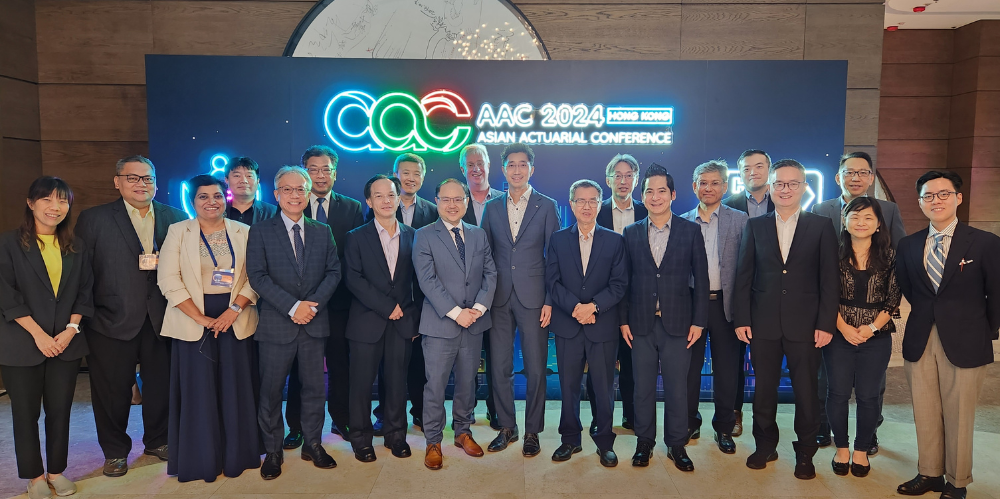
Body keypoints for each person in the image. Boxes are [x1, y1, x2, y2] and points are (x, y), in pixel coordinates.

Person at [74, 155, 188, 477]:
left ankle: (159, 439)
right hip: (109, 320)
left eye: (147, 178)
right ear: (118, 181)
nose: (141, 184)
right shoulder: (94, 219)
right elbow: (83, 273)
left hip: (161, 319)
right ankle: (114, 451)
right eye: (133, 178)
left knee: (161, 386)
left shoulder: (176, 217)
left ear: (156, 181)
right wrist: (82, 320)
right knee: (111, 391)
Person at [895, 171, 1000, 499]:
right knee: (925, 410)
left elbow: (996, 293)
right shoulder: (909, 244)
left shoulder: (984, 243)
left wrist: (987, 331)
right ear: (920, 203)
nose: (936, 200)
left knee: (959, 414)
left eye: (943, 194)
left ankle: (957, 482)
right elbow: (912, 290)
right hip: (921, 337)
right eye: (929, 196)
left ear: (958, 198)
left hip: (967, 340)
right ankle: (930, 473)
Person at [733, 159, 839, 480]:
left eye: (793, 183)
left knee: (806, 392)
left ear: (804, 188)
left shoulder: (820, 226)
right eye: (779, 183)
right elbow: (743, 276)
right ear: (771, 187)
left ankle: (805, 452)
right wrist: (741, 318)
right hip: (763, 324)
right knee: (763, 391)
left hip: (807, 327)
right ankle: (765, 445)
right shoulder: (756, 226)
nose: (785, 189)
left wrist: (825, 323)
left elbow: (829, 281)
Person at [157, 175, 261, 482]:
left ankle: (236, 457)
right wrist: (200, 319)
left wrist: (233, 310)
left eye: (217, 195)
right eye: (203, 197)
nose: (211, 202)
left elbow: (254, 277)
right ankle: (200, 460)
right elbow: (168, 279)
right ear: (193, 202)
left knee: (235, 390)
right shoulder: (178, 231)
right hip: (192, 322)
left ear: (225, 198)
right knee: (198, 393)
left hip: (235, 319)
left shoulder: (244, 231)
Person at [247, 166, 342, 479]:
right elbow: (257, 276)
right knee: (271, 392)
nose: (294, 195)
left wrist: (309, 307)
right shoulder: (260, 231)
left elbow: (333, 273)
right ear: (276, 195)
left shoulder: (321, 230)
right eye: (287, 190)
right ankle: (273, 450)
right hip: (277, 326)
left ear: (308, 192)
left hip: (313, 324)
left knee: (315, 389)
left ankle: (313, 443)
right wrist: (292, 307)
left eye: (300, 189)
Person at [0, 177, 92, 499]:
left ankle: (56, 471)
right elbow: (6, 296)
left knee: (60, 411)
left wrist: (70, 330)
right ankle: (35, 477)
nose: (55, 208)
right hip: (22, 344)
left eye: (63, 201)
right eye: (47, 200)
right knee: (26, 413)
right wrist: (40, 335)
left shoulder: (76, 246)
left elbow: (84, 292)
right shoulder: (8, 244)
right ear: (31, 203)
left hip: (65, 344)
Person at [811, 151, 906, 453]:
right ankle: (827, 430)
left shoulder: (889, 209)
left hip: (875, 326)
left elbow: (899, 260)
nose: (855, 178)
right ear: (838, 177)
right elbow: (820, 281)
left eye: (862, 172)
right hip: (836, 323)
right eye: (849, 172)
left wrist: (874, 326)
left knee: (871, 390)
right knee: (830, 384)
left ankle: (868, 436)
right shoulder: (820, 208)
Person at [620, 163, 708, 471]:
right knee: (641, 386)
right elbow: (624, 281)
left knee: (677, 388)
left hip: (679, 324)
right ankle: (644, 442)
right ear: (641, 196)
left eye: (661, 191)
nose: (655, 197)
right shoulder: (630, 233)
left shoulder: (691, 231)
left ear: (672, 194)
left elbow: (702, 279)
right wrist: (623, 320)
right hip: (641, 323)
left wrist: (699, 321)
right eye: (649, 191)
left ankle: (677, 445)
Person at [480, 142, 560, 457]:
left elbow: (554, 257)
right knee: (499, 366)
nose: (517, 170)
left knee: (537, 367)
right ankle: (507, 428)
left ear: (531, 169)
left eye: (522, 164)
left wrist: (550, 299)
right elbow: (485, 255)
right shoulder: (492, 207)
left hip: (535, 298)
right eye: (511, 164)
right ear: (503, 169)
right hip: (498, 298)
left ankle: (533, 432)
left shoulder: (547, 205)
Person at [413, 179, 497, 470]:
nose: (452, 205)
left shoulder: (478, 234)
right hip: (440, 325)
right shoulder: (424, 236)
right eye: (445, 199)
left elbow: (491, 274)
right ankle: (434, 440)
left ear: (465, 201)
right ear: (436, 201)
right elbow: (427, 281)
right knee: (435, 387)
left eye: (458, 199)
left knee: (467, 384)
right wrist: (454, 312)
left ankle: (463, 432)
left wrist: (476, 309)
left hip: (473, 324)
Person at [284, 145, 364, 448]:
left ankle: (340, 419)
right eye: (313, 169)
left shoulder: (352, 207)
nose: (320, 175)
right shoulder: (292, 203)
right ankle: (297, 425)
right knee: (300, 366)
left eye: (326, 169)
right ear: (304, 171)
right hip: (300, 304)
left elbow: (355, 256)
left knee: (340, 365)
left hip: (341, 302)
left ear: (335, 172)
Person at [546, 180, 627, 467]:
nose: (587, 206)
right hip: (568, 325)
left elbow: (619, 285)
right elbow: (552, 282)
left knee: (604, 388)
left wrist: (592, 307)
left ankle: (605, 441)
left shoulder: (615, 240)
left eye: (593, 200)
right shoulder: (557, 239)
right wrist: (575, 308)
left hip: (601, 324)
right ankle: (570, 439)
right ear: (571, 204)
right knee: (567, 387)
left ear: (600, 203)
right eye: (580, 200)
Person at [344, 175, 419, 462]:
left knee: (398, 383)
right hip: (366, 323)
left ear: (399, 197)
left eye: (391, 195)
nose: (386, 201)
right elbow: (353, 279)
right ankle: (361, 440)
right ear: (369, 201)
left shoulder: (413, 235)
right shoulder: (356, 237)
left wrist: (412, 319)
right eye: (379, 196)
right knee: (361, 385)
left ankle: (396, 435)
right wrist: (386, 306)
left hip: (402, 324)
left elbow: (418, 282)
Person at [825, 196, 900, 479]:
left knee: (869, 396)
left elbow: (894, 298)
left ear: (879, 224)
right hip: (838, 333)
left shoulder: (891, 256)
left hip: (876, 336)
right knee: (838, 393)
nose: (861, 222)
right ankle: (841, 448)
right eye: (854, 216)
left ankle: (861, 450)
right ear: (844, 221)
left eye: (868, 217)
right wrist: (843, 328)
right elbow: (824, 294)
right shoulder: (832, 253)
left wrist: (871, 328)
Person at [679, 160, 749, 454]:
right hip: (691, 305)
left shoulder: (741, 220)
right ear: (694, 186)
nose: (708, 188)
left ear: (725, 186)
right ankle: (689, 422)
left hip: (726, 305)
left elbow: (747, 271)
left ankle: (723, 428)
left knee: (727, 370)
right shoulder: (680, 221)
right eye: (702, 182)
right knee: (689, 370)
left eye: (715, 182)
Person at [368, 153, 436, 434]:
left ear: (422, 177)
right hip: (386, 302)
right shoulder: (380, 206)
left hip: (422, 299)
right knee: (388, 364)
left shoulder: (433, 210)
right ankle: (385, 414)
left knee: (420, 362)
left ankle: (420, 412)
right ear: (395, 174)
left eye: (416, 173)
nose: (410, 178)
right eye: (404, 172)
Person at [589, 153, 648, 433]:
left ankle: (631, 415)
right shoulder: (593, 210)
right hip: (601, 299)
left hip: (637, 298)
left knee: (632, 360)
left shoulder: (648, 210)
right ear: (607, 179)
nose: (623, 181)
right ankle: (599, 419)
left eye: (629, 175)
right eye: (618, 175)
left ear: (636, 180)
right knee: (599, 363)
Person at [721, 148, 774, 436]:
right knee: (735, 359)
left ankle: (764, 419)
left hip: (772, 295)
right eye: (746, 168)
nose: (752, 172)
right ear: (739, 173)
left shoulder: (783, 202)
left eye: (759, 166)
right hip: (738, 295)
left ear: (769, 169)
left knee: (767, 361)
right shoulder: (728, 205)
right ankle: (735, 412)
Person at [459, 143, 504, 430]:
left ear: (489, 166)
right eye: (470, 163)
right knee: (467, 357)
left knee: (497, 357)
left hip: (497, 295)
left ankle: (496, 409)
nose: (476, 168)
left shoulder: (504, 200)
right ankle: (466, 410)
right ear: (463, 169)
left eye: (481, 162)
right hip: (460, 298)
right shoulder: (452, 201)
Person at [225, 156, 278, 226]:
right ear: (226, 180)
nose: (244, 181)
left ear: (258, 181)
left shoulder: (273, 212)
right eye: (237, 176)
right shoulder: (218, 211)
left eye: (249, 176)